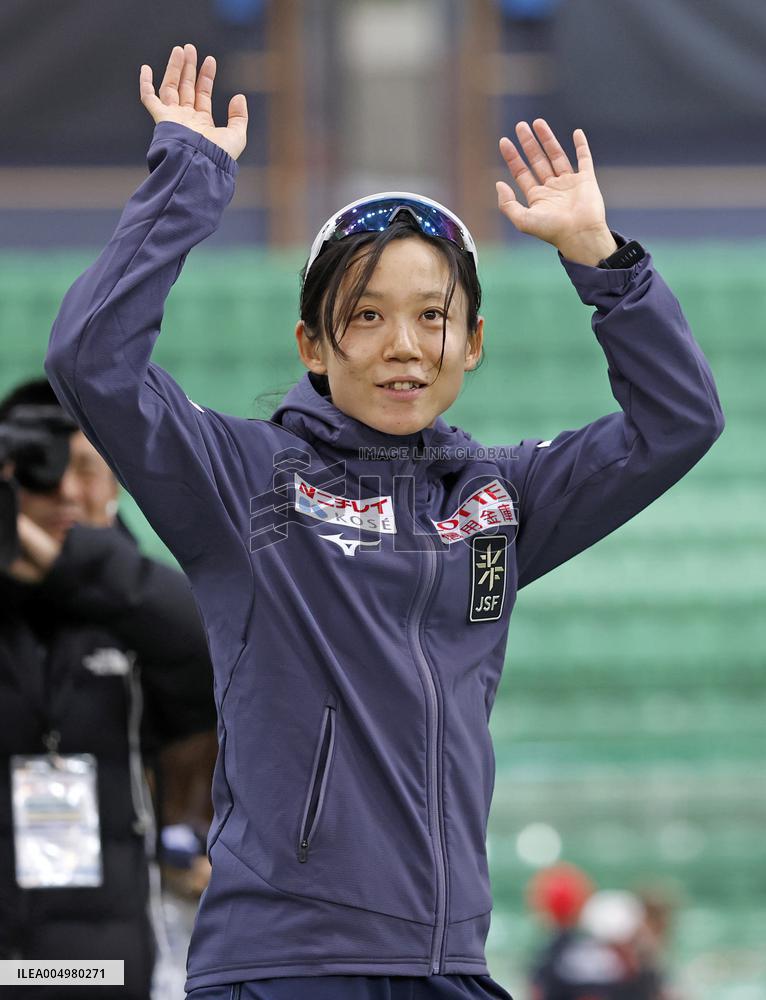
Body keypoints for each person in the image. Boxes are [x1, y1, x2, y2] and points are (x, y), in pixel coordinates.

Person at [44, 42, 724, 1000]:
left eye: (431, 316)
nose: (403, 346)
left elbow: (679, 421)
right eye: (363, 317)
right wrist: (187, 181)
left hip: (449, 962)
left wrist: (600, 262)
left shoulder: (498, 500)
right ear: (313, 345)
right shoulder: (243, 480)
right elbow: (90, 363)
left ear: (472, 343)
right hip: (286, 966)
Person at [0, 377, 216, 999]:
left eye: (89, 470)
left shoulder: (144, 609)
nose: (68, 491)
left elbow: (215, 643)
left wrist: (77, 565)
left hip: (104, 968)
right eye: (43, 471)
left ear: (119, 483)